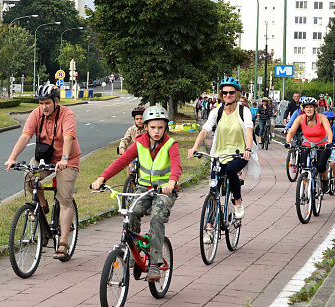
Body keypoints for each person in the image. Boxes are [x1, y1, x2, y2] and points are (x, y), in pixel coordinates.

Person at [91, 106, 182, 281]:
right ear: (145, 127)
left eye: (160, 127)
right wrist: (102, 178)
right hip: (143, 190)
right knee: (130, 213)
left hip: (164, 191)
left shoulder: (171, 144)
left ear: (165, 127)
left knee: (156, 218)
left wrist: (171, 182)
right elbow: (121, 161)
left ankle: (154, 264)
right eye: (153, 127)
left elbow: (176, 166)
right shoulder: (139, 142)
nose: (156, 131)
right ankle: (134, 251)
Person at [4, 84, 81, 260]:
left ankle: (63, 243)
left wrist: (65, 158)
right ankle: (42, 206)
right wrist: (12, 157)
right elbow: (25, 136)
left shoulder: (67, 114)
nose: (44, 106)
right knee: (29, 176)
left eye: (47, 102)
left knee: (64, 198)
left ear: (56, 101)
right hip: (44, 158)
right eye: (41, 103)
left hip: (67, 160)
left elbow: (68, 137)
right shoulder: (36, 114)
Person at [188, 77, 259, 224]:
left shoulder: (243, 111)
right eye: (225, 93)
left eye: (231, 93)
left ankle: (238, 202)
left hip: (239, 153)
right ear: (221, 94)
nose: (228, 95)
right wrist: (195, 147)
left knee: (232, 170)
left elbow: (249, 129)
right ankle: (209, 226)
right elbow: (205, 130)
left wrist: (248, 148)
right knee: (213, 189)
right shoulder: (217, 111)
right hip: (219, 154)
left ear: (237, 94)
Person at [285, 97, 333, 193]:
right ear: (303, 109)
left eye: (311, 107)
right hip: (307, 144)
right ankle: (303, 187)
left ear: (315, 108)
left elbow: (329, 131)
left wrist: (329, 142)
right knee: (303, 166)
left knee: (320, 166)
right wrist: (288, 142)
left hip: (322, 144)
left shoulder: (322, 118)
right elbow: (291, 132)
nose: (309, 109)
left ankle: (325, 180)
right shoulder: (300, 118)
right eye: (306, 107)